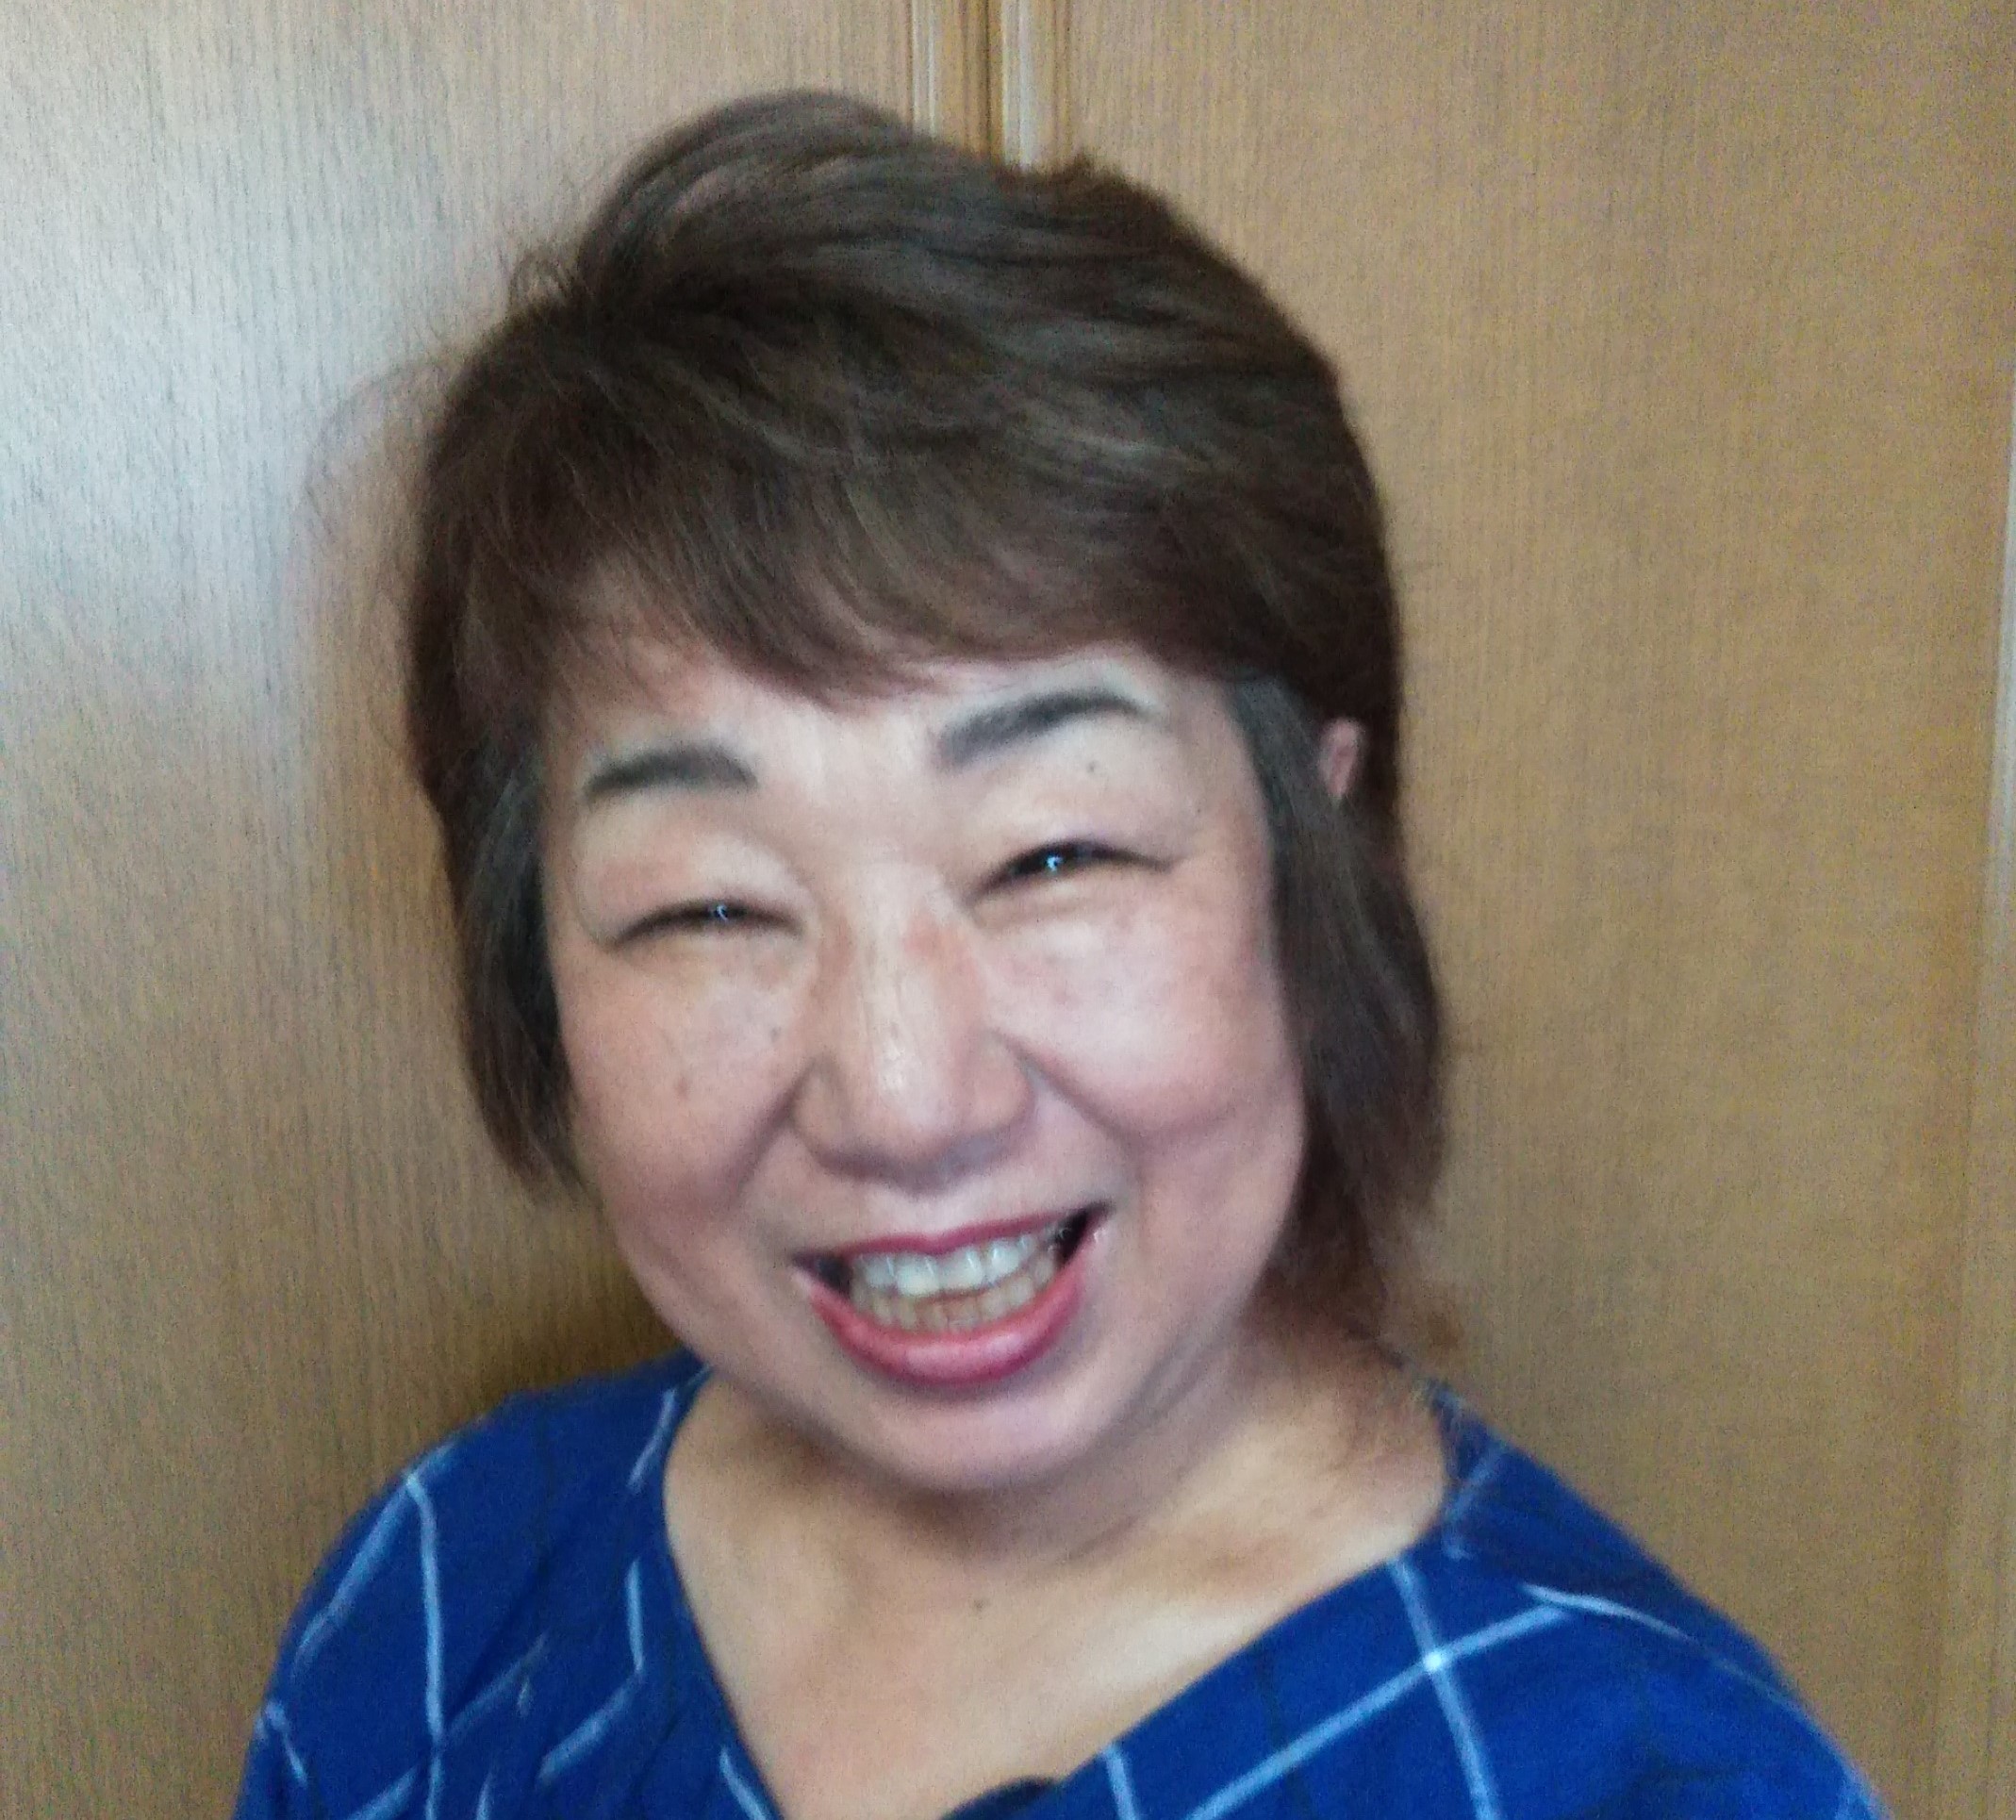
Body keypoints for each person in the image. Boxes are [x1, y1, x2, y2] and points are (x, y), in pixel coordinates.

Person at [235, 92, 1880, 1820]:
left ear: (1305, 860)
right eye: (709, 906)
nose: (902, 1097)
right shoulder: (444, 1607)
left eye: (1052, 853)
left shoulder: (1641, 1779)